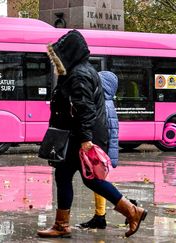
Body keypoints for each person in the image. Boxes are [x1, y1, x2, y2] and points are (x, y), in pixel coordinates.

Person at [37, 30, 147, 238]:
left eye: (59, 55)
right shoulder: (75, 72)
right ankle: (62, 224)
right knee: (64, 175)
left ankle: (132, 211)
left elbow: (85, 109)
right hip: (75, 135)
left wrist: (86, 140)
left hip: (80, 137)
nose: (56, 60)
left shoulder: (79, 75)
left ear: (69, 53)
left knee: (90, 179)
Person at [78, 71, 119, 229]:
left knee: (99, 182)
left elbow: (111, 131)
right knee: (99, 182)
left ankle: (128, 207)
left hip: (99, 148)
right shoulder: (107, 104)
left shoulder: (103, 105)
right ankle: (100, 215)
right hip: (102, 148)